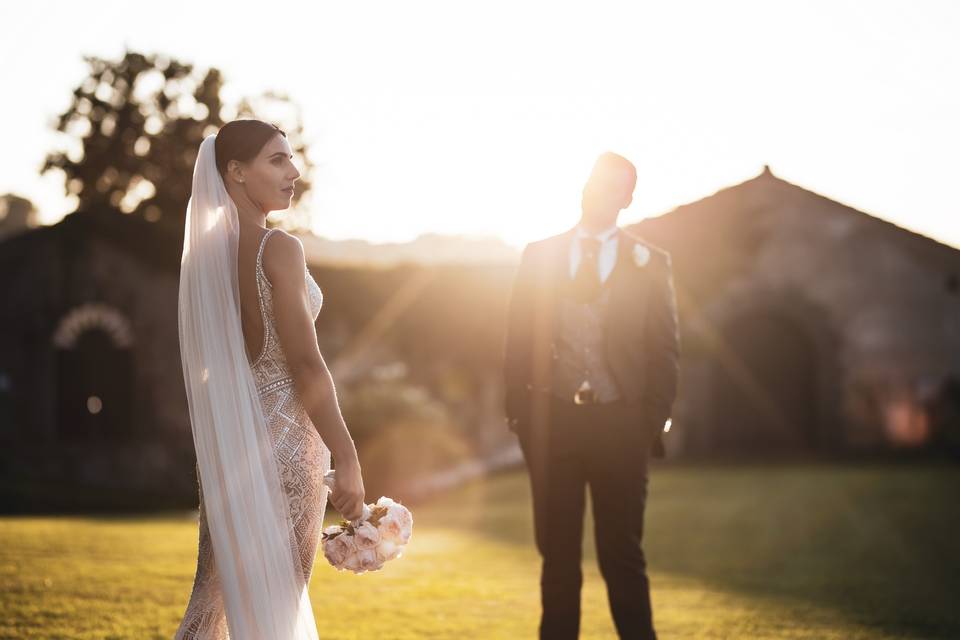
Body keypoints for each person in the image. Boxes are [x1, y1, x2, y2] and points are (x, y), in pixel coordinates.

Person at [175, 119, 365, 639]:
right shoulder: (278, 248)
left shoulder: (202, 259)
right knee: (275, 606)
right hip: (286, 446)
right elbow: (305, 365)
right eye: (277, 160)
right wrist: (346, 456)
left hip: (230, 448)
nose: (293, 172)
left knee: (211, 601)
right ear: (235, 171)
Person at [502, 152, 680, 639]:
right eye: (593, 182)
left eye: (611, 187)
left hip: (621, 427)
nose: (598, 192)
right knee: (557, 557)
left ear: (627, 198)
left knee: (622, 555)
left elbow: (665, 350)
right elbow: (517, 339)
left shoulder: (650, 262)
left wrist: (646, 424)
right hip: (552, 424)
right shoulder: (539, 255)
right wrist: (521, 417)